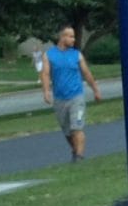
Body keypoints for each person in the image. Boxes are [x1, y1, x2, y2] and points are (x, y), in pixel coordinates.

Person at [41, 26, 102, 160]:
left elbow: (86, 73)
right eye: (70, 36)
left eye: (73, 36)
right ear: (62, 37)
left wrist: (95, 90)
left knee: (77, 128)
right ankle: (75, 151)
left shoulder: (77, 55)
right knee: (68, 132)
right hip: (60, 99)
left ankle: (79, 157)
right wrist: (46, 91)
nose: (73, 39)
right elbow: (45, 74)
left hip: (76, 97)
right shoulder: (49, 55)